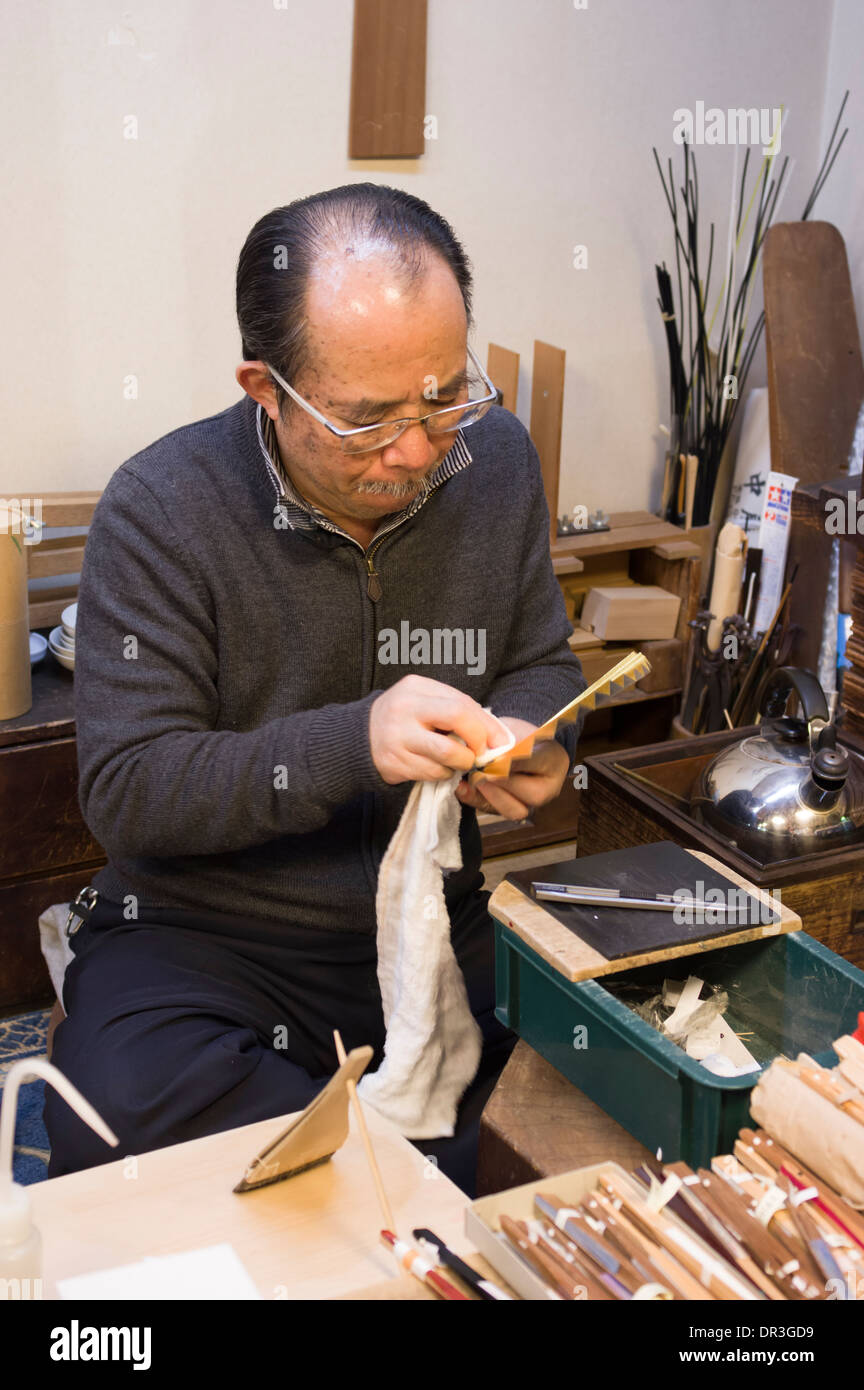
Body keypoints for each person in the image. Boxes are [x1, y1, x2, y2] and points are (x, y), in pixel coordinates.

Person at [45, 183, 585, 1196]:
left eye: (444, 395)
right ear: (266, 386)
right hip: (209, 938)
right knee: (108, 1113)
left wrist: (538, 733)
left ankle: (367, 1183)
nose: (419, 451)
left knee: (611, 1085)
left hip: (430, 923)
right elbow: (129, 786)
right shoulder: (162, 508)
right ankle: (394, 1180)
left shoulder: (497, 462)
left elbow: (541, 659)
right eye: (367, 422)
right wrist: (352, 742)